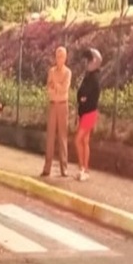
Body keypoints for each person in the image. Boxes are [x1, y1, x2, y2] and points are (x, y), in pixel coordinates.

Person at [41, 46, 72, 177]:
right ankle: (47, 168)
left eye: (61, 56)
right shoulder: (51, 71)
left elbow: (64, 89)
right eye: (57, 56)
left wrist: (56, 85)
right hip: (53, 105)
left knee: (62, 137)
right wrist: (55, 86)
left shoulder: (68, 72)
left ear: (65, 58)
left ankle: (64, 168)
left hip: (63, 105)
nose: (59, 59)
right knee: (50, 137)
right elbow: (49, 87)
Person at [75, 48, 102, 182]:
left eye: (89, 60)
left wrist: (83, 99)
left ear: (95, 61)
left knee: (78, 140)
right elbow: (80, 94)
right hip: (85, 112)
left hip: (89, 112)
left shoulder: (94, 78)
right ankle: (85, 169)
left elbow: (89, 96)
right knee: (85, 141)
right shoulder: (88, 76)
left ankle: (82, 168)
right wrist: (81, 99)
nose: (87, 62)